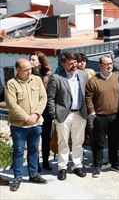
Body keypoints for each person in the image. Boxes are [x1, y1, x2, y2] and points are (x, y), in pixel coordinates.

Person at [5, 58, 48, 191]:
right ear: (18, 70)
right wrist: (26, 118)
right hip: (19, 126)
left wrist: (36, 115)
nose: (30, 72)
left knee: (34, 149)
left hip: (36, 124)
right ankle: (17, 177)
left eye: (30, 69)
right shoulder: (11, 84)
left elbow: (43, 98)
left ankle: (33, 174)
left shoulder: (37, 80)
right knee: (18, 151)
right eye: (26, 70)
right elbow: (11, 104)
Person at [46, 52, 89, 180]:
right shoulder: (56, 77)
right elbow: (51, 98)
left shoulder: (83, 75)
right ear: (63, 64)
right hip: (63, 115)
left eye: (75, 62)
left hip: (80, 114)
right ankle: (62, 168)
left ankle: (77, 166)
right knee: (63, 142)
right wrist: (55, 115)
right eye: (70, 63)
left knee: (78, 142)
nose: (74, 65)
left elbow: (86, 95)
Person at [86, 55, 119, 177]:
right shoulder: (93, 81)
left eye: (111, 63)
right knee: (99, 142)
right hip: (100, 117)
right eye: (106, 64)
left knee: (114, 141)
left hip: (116, 116)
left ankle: (114, 163)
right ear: (100, 66)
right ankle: (97, 166)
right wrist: (92, 112)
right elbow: (88, 98)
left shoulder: (118, 78)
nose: (109, 66)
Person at [30, 51, 53, 171]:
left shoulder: (47, 75)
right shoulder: (28, 74)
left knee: (46, 137)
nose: (30, 62)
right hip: (32, 110)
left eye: (33, 60)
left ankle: (45, 161)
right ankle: (35, 163)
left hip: (45, 110)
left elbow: (45, 93)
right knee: (34, 138)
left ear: (40, 62)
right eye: (30, 59)